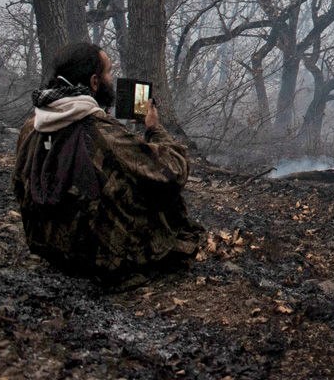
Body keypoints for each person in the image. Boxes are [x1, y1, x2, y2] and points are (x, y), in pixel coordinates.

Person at [12, 43, 203, 285]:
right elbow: (174, 171)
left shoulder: (32, 125)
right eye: (109, 72)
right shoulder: (100, 132)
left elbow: (19, 183)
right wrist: (155, 129)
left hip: (46, 247)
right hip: (93, 259)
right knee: (159, 188)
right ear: (94, 82)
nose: (111, 79)